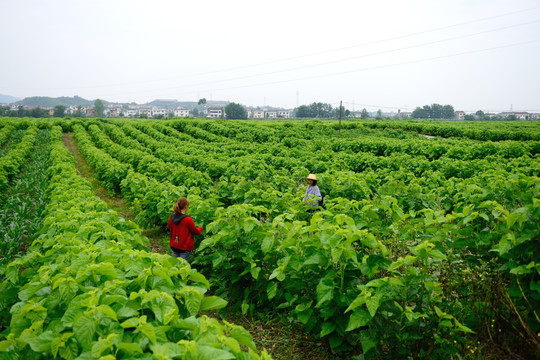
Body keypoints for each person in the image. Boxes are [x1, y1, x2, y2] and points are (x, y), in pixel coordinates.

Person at [168, 197, 203, 262]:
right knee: (183, 267)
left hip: (174, 245)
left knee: (175, 265)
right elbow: (196, 231)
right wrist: (201, 228)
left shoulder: (171, 217)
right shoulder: (187, 219)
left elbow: (169, 227)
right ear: (186, 206)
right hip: (184, 246)